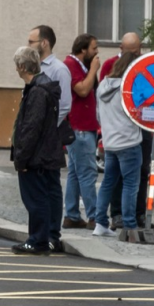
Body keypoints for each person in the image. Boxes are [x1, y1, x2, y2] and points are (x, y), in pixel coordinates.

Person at [9, 45, 64, 255]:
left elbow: (31, 127)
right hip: (47, 152)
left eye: (16, 65)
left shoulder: (37, 91)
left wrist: (21, 159)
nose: (15, 69)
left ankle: (37, 240)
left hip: (36, 156)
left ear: (23, 66)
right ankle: (47, 237)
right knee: (48, 196)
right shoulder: (43, 87)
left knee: (36, 199)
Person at [94, 35, 144, 237]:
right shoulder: (129, 89)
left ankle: (100, 224)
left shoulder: (103, 87)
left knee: (108, 182)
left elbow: (98, 115)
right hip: (129, 142)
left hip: (110, 143)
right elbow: (138, 115)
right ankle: (130, 226)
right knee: (131, 185)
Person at [62, 33, 102, 230]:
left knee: (76, 174)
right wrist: (94, 70)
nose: (96, 53)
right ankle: (95, 216)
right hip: (80, 128)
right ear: (83, 49)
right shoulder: (71, 65)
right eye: (94, 48)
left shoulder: (79, 66)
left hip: (83, 126)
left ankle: (72, 215)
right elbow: (82, 90)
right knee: (87, 173)